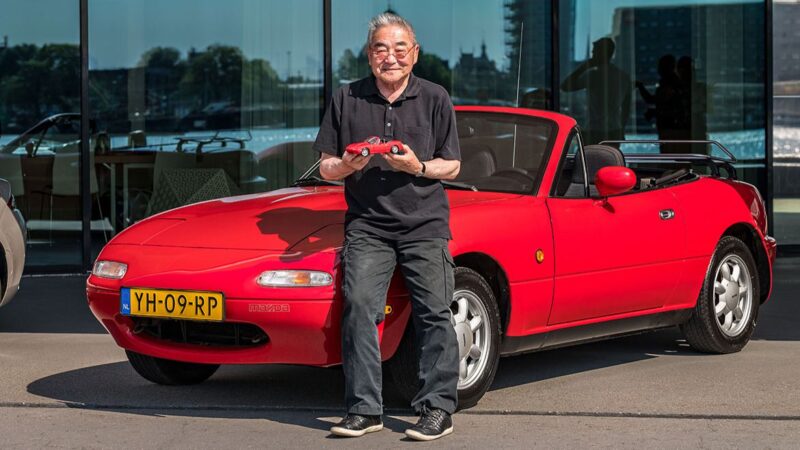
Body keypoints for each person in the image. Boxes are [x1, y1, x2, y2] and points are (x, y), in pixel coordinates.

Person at [313, 12, 461, 441]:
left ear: (414, 54)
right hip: (368, 226)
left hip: (425, 224)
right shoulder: (347, 97)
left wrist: (418, 166)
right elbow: (325, 167)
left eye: (399, 49)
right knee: (359, 306)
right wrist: (347, 164)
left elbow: (452, 165)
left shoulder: (435, 97)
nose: (390, 57)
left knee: (435, 313)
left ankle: (437, 410)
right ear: (369, 54)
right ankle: (364, 410)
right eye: (381, 48)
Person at [560, 37, 632, 146]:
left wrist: (584, 67)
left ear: (600, 53)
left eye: (594, 52)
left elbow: (565, 86)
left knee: (590, 156)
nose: (592, 55)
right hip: (615, 130)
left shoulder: (593, 75)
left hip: (594, 130)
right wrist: (622, 129)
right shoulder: (624, 77)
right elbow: (626, 108)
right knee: (611, 156)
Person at [636, 54, 687, 154]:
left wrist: (640, 87)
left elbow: (654, 101)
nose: (659, 70)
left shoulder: (670, 85)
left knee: (670, 154)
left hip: (670, 129)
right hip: (671, 129)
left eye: (661, 67)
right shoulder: (673, 84)